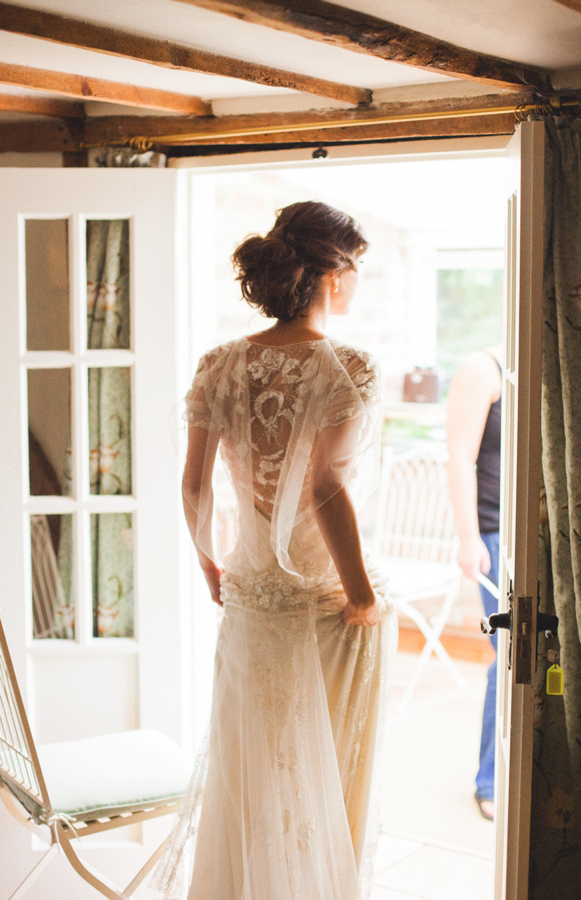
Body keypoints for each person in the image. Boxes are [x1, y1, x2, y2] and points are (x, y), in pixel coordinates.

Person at [152, 201, 397, 900]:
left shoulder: (220, 365)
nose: (357, 283)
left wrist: (211, 564)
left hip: (251, 598)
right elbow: (325, 486)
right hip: (327, 606)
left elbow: (194, 486)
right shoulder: (346, 367)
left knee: (252, 774)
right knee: (327, 779)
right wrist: (363, 596)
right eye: (357, 268)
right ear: (332, 272)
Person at [446, 346, 502, 823]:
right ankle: (490, 780)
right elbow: (460, 457)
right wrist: (469, 537)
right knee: (509, 655)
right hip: (495, 534)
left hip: (540, 528)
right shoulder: (482, 368)